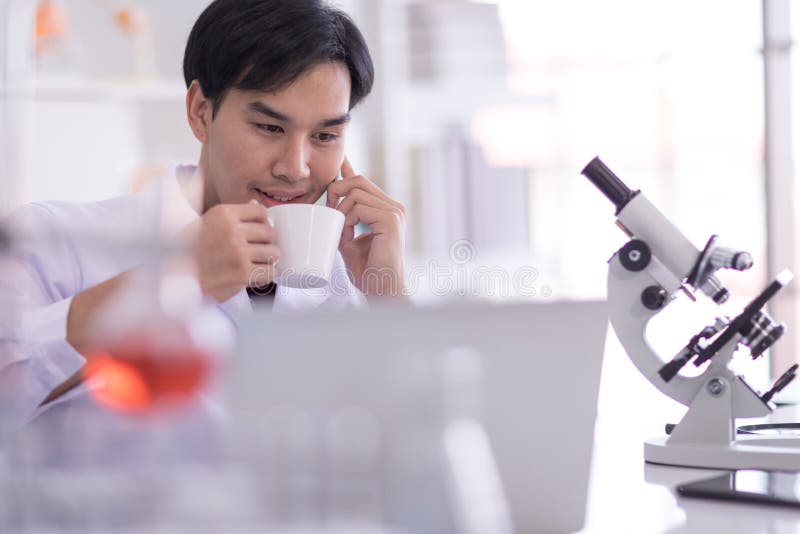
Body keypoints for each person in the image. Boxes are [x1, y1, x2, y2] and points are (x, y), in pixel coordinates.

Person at [0, 0, 406, 423]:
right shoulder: (52, 240)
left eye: (324, 135)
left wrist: (389, 297)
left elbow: (410, 448)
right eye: (269, 128)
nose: (295, 168)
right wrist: (171, 282)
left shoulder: (343, 283)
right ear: (200, 112)